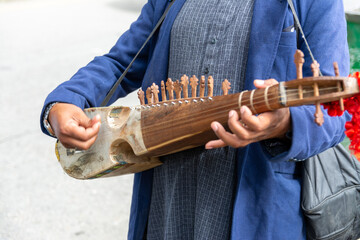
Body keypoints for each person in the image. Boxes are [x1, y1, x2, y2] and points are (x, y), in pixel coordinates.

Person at [40, 0, 350, 239]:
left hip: (254, 203)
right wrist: (66, 100)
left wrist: (283, 123)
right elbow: (123, 60)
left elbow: (336, 112)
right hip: (167, 198)